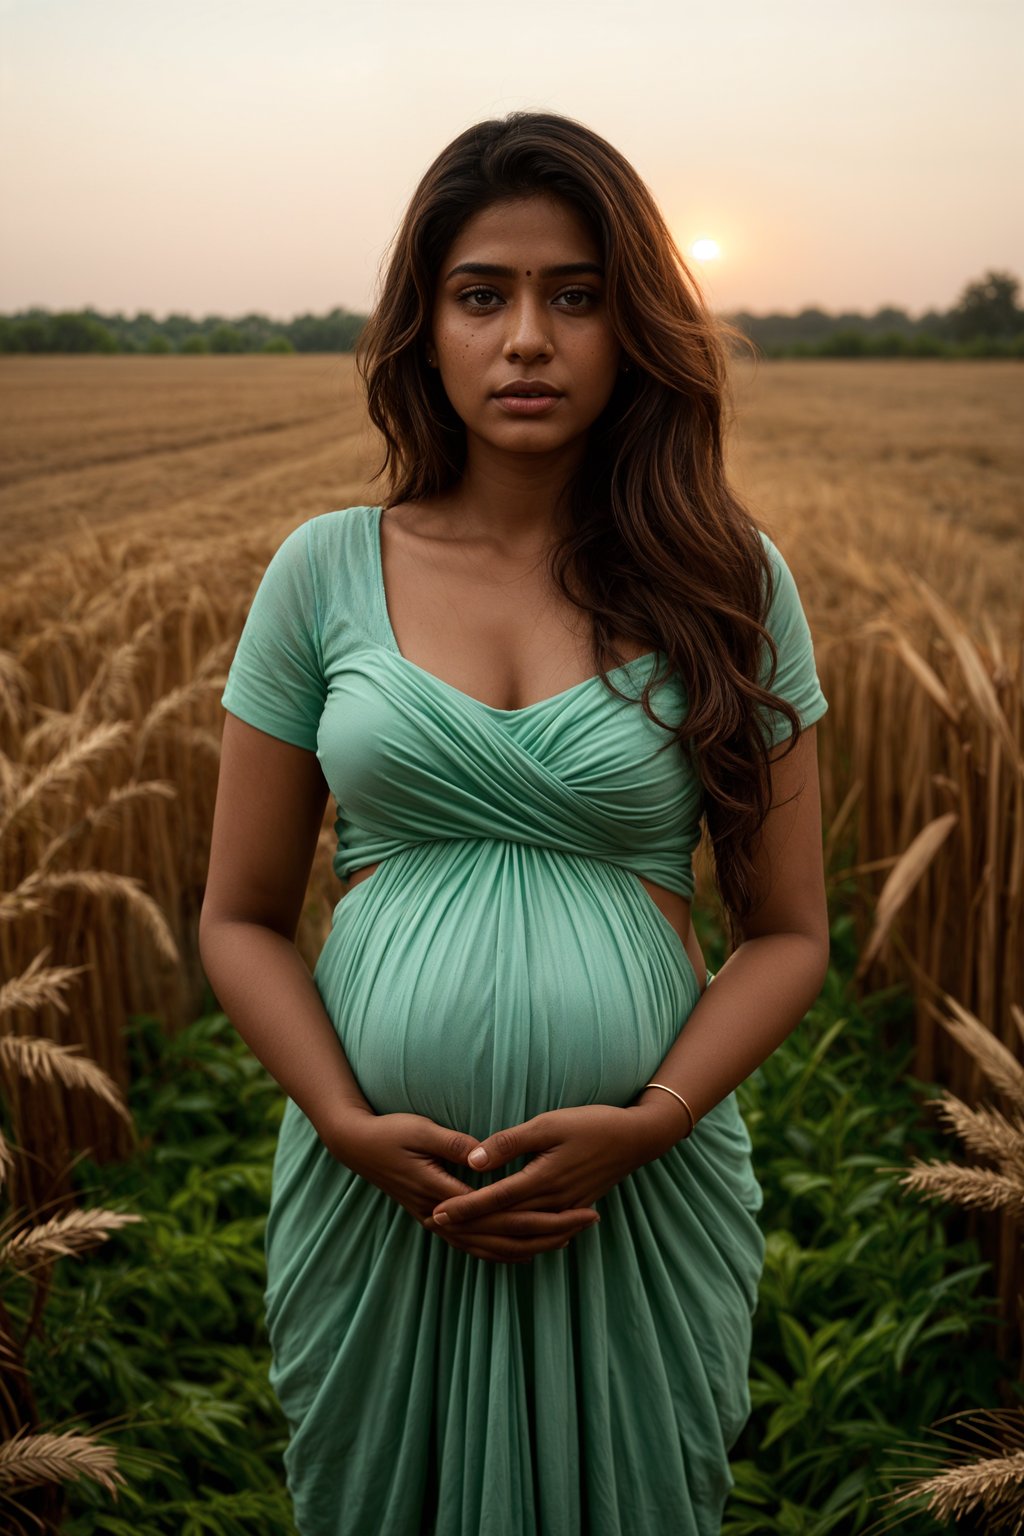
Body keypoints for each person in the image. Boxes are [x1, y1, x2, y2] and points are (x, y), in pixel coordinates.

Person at [200, 110, 830, 1536]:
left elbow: (789, 934)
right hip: (380, 1200)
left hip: (637, 1202)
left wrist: (647, 1124)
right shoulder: (321, 574)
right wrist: (346, 1122)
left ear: (634, 326)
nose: (528, 338)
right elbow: (237, 917)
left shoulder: (730, 581)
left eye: (577, 295)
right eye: (483, 294)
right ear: (425, 327)